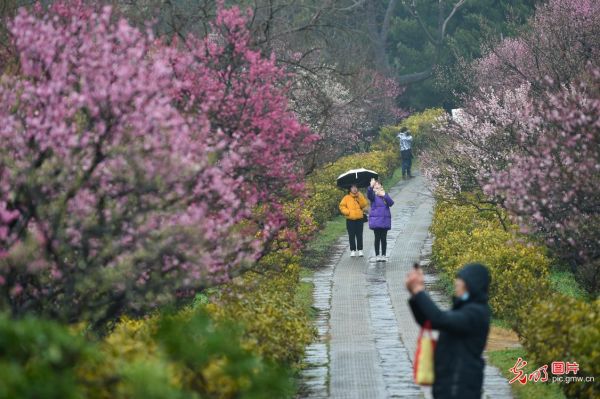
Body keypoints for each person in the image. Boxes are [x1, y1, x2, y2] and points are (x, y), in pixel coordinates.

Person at [405, 263, 491, 399]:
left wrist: (419, 291)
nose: (456, 283)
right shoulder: (464, 308)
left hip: (461, 387)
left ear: (471, 284)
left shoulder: (476, 313)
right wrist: (415, 294)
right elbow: (429, 322)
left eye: (461, 279)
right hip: (449, 383)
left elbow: (439, 319)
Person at [367, 178, 394, 261]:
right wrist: (370, 186)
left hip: (384, 220)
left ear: (381, 185)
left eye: (378, 184)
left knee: (384, 239)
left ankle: (384, 255)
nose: (376, 185)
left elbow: (391, 203)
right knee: (377, 238)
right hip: (376, 221)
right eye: (375, 184)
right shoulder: (373, 196)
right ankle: (377, 255)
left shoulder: (384, 194)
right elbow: (369, 195)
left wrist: (384, 195)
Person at [339, 184, 368, 257]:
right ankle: (352, 250)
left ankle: (360, 250)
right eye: (352, 187)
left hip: (359, 219)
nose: (354, 189)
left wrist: (359, 197)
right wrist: (347, 212)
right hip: (350, 220)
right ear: (350, 189)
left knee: (359, 235)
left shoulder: (360, 195)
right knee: (351, 235)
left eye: (356, 187)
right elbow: (342, 206)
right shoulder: (346, 197)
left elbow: (364, 205)